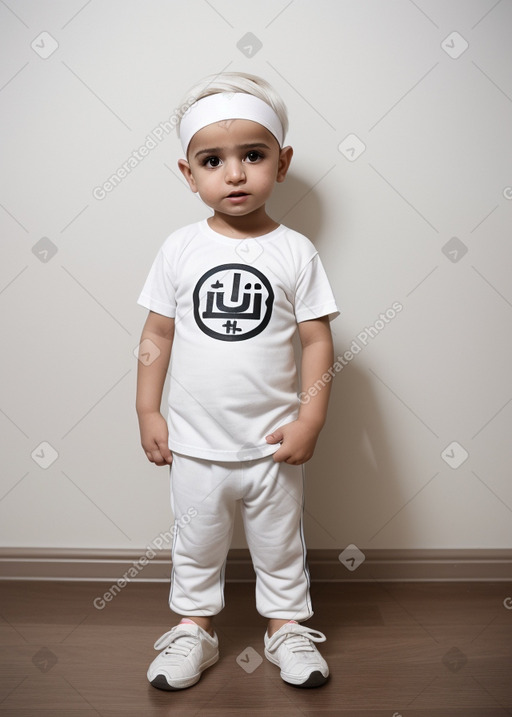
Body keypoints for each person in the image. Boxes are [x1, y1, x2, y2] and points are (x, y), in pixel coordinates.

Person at [136, 71, 339, 691]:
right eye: (213, 160)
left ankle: (287, 630)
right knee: (195, 547)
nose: (235, 174)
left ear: (283, 163)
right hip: (197, 442)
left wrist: (310, 417)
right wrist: (148, 411)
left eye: (253, 155)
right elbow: (157, 336)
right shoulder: (178, 250)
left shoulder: (296, 251)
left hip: (272, 444)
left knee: (281, 545)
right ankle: (193, 630)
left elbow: (316, 340)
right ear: (187, 172)